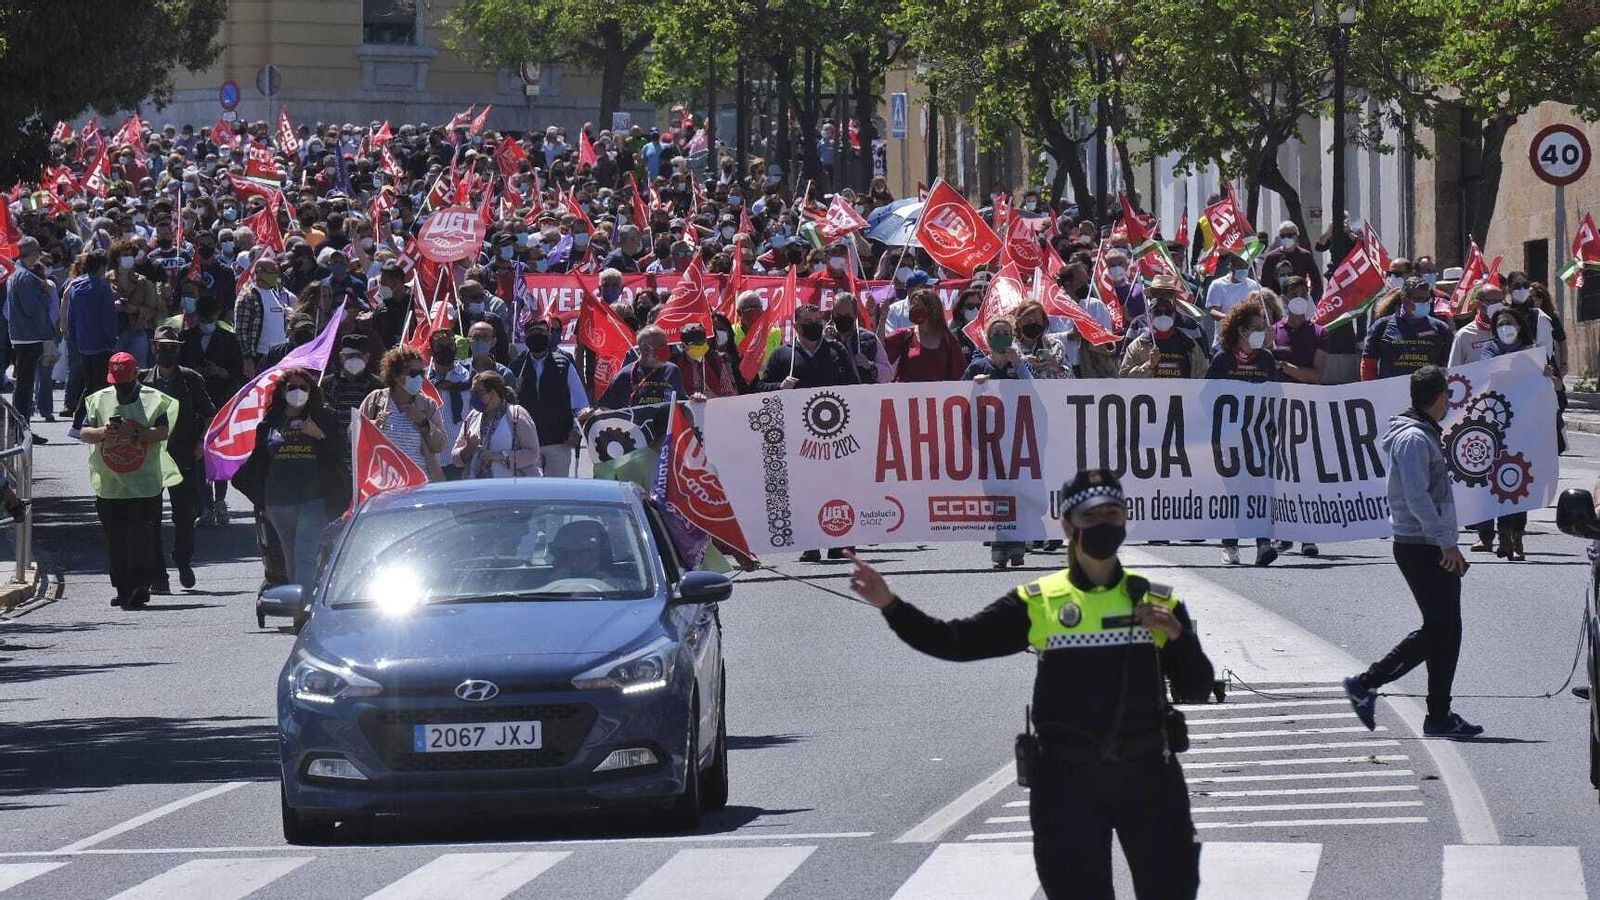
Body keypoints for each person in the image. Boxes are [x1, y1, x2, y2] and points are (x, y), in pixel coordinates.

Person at [846, 469, 1215, 900]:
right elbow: (955, 641)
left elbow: (1197, 689)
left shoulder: (1157, 600)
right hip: (1068, 785)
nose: (1103, 524)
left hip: (1149, 778)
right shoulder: (1039, 601)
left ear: (1125, 519)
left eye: (1112, 514)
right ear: (1067, 525)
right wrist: (890, 604)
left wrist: (1178, 636)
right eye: (1091, 516)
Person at [1344, 366, 1483, 738]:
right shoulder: (1414, 439)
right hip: (1420, 545)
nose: (1449, 403)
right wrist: (1445, 542)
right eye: (1447, 396)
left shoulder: (1423, 433)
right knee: (1440, 629)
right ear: (1439, 397)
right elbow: (1416, 497)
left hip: (1430, 542)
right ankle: (1366, 683)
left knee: (1447, 630)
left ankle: (1439, 715)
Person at [231, 370, 350, 589]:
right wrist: (260, 498)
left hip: (314, 499)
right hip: (279, 501)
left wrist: (319, 435)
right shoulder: (270, 423)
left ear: (311, 391)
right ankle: (297, 601)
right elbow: (259, 463)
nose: (298, 392)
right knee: (290, 555)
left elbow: (339, 454)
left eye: (303, 388)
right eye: (292, 387)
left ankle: (303, 605)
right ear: (282, 391)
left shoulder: (324, 418)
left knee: (305, 553)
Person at [80, 352, 180, 609]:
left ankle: (140, 586)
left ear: (136, 375)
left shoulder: (154, 399)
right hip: (110, 485)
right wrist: (103, 432)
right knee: (116, 540)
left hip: (144, 485)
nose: (121, 387)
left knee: (142, 538)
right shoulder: (98, 399)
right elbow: (84, 432)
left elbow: (162, 432)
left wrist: (134, 433)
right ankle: (123, 588)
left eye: (125, 382)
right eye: (117, 383)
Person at [141, 326, 215, 592]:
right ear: (154, 348)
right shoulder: (142, 381)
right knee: (150, 516)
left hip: (183, 453)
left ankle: (183, 560)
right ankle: (158, 574)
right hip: (150, 456)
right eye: (163, 347)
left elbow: (209, 413)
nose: (168, 352)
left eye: (172, 347)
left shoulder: (191, 379)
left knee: (185, 513)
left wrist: (200, 442)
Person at [1471, 307, 1548, 560]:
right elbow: (1489, 373)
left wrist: (1546, 374)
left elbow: (1554, 383)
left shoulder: (1533, 350)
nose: (1505, 327)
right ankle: (1493, 535)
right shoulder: (1490, 349)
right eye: (1500, 324)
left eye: (1510, 322)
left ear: (1520, 325)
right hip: (1495, 424)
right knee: (1493, 480)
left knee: (1518, 480)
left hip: (1525, 426)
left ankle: (1516, 537)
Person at [1208, 301, 1281, 567]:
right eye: (1257, 328)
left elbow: (1276, 395)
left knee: (1261, 489)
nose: (1263, 332)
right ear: (1242, 331)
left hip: (1259, 437)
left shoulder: (1266, 359)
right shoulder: (1223, 360)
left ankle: (1263, 544)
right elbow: (1207, 396)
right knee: (1234, 490)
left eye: (1264, 327)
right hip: (1228, 439)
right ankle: (1230, 544)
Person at [964, 317, 1033, 568]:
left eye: (1006, 332)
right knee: (995, 494)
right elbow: (958, 397)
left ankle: (1017, 545)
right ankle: (1000, 545)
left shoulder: (1021, 365)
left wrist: (1019, 364)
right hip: (989, 441)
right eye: (996, 333)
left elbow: (1035, 391)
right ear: (988, 338)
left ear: (1012, 336)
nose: (1001, 337)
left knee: (1018, 492)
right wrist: (975, 386)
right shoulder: (978, 366)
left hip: (1018, 440)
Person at [177, 294, 244, 525]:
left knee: (219, 454)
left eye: (210, 318)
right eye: (204, 318)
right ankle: (205, 506)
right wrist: (194, 372)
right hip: (196, 404)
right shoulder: (186, 338)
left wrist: (220, 371)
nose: (207, 322)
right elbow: (179, 369)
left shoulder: (228, 339)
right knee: (199, 455)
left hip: (221, 402)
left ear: (217, 315)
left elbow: (237, 372)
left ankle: (220, 502)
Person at [512, 316, 589, 478]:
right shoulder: (516, 366)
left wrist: (576, 431)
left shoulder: (564, 363)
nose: (536, 335)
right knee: (529, 489)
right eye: (532, 332)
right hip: (526, 444)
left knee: (557, 489)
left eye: (541, 331)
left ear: (548, 334)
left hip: (559, 441)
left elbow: (580, 404)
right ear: (525, 337)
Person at [359, 345, 447, 481]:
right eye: (412, 373)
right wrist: (371, 426)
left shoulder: (428, 405)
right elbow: (353, 434)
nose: (418, 377)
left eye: (421, 373)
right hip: (384, 484)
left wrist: (423, 422)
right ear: (395, 375)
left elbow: (440, 445)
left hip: (421, 484)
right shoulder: (375, 400)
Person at [65, 251, 121, 438]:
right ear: (102, 267)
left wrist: (74, 336)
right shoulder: (103, 288)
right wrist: (112, 340)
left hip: (83, 343)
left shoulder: (75, 286)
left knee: (90, 384)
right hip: (102, 343)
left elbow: (71, 315)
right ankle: (80, 423)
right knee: (101, 386)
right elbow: (108, 318)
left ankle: (82, 422)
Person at [5, 238, 56, 439]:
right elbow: (31, 308)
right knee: (24, 387)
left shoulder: (17, 274)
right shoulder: (25, 277)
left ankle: (21, 429)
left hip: (23, 335)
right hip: (28, 336)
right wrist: (45, 293)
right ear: (33, 253)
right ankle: (21, 430)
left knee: (23, 385)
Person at [452, 371, 544, 478]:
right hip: (478, 485)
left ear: (494, 393)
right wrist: (468, 448)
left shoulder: (517, 415)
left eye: (479, 392)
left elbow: (533, 454)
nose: (474, 397)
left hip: (511, 484)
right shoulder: (472, 416)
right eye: (472, 392)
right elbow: (455, 458)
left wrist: (501, 456)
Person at [1360, 277, 1453, 380]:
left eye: (1427, 300)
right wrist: (1373, 387)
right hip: (1391, 387)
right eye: (1418, 299)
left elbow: (1449, 364)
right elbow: (1368, 364)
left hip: (1428, 388)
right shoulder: (1381, 326)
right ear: (1404, 299)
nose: (1424, 303)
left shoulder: (1441, 329)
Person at [1119, 285, 1208, 379]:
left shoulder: (1189, 344)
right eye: (1158, 312)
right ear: (1150, 315)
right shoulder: (1138, 345)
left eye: (1168, 312)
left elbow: (1203, 375)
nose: (1163, 315)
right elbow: (1124, 377)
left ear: (1174, 314)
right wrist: (1149, 365)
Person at [879, 287, 967, 382]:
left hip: (937, 391)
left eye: (916, 305)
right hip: (906, 391)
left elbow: (959, 374)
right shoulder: (906, 335)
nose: (912, 308)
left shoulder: (948, 339)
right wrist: (882, 318)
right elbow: (879, 349)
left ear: (930, 309)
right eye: (911, 304)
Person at [598, 325, 686, 409]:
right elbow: (606, 409)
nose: (666, 349)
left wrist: (692, 403)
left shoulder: (672, 371)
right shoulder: (625, 375)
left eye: (666, 344)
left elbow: (682, 403)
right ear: (645, 348)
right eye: (661, 345)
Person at [1258, 221, 1324, 296]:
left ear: (1296, 236)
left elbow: (1317, 282)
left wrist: (1310, 300)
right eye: (1282, 236)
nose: (1286, 238)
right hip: (1278, 299)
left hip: (1300, 299)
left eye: (1289, 235)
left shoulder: (1305, 256)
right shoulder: (1271, 257)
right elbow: (1265, 284)